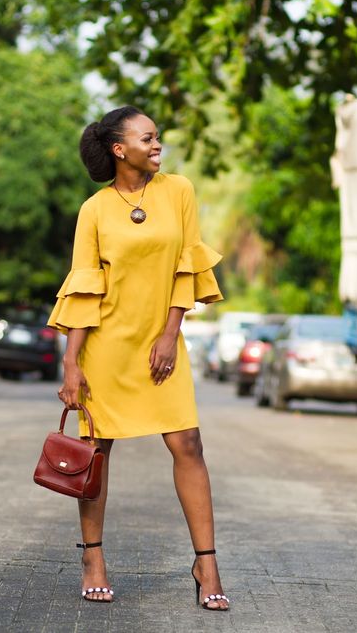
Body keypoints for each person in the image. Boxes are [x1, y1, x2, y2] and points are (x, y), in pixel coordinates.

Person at [47, 106, 229, 611]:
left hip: (160, 342)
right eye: (147, 138)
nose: (157, 145)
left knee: (187, 442)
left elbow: (186, 266)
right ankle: (93, 558)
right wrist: (72, 361)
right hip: (106, 346)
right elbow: (85, 285)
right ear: (118, 149)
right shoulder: (95, 209)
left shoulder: (179, 191)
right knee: (96, 453)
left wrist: (170, 333)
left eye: (158, 137)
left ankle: (207, 563)